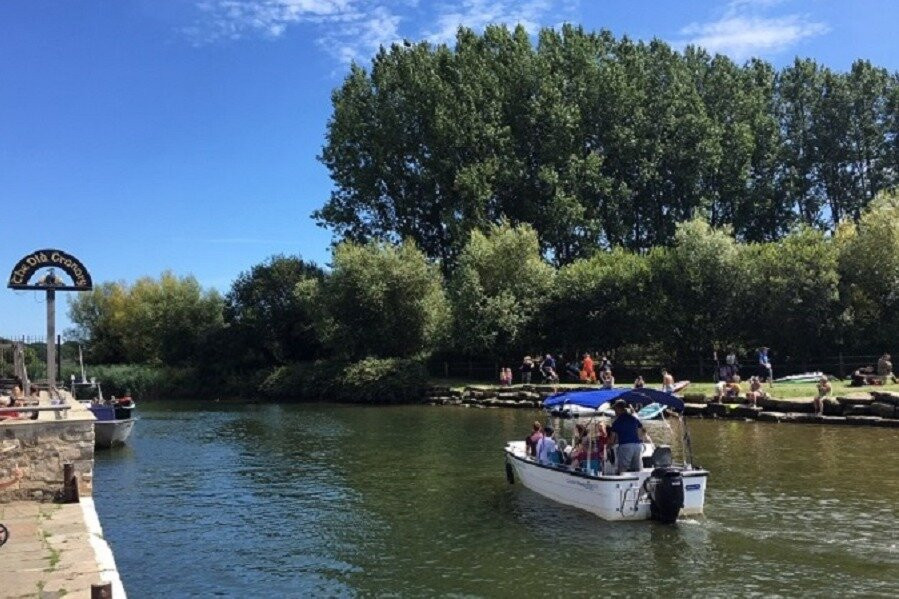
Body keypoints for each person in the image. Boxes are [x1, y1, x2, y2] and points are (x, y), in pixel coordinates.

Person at [609, 400, 649, 474]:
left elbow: (612, 439)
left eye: (615, 410)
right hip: (637, 446)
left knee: (623, 470)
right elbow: (642, 430)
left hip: (625, 446)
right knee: (637, 469)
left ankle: (622, 483)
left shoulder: (617, 422)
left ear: (618, 409)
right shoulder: (634, 419)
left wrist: (608, 447)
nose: (615, 412)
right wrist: (642, 440)